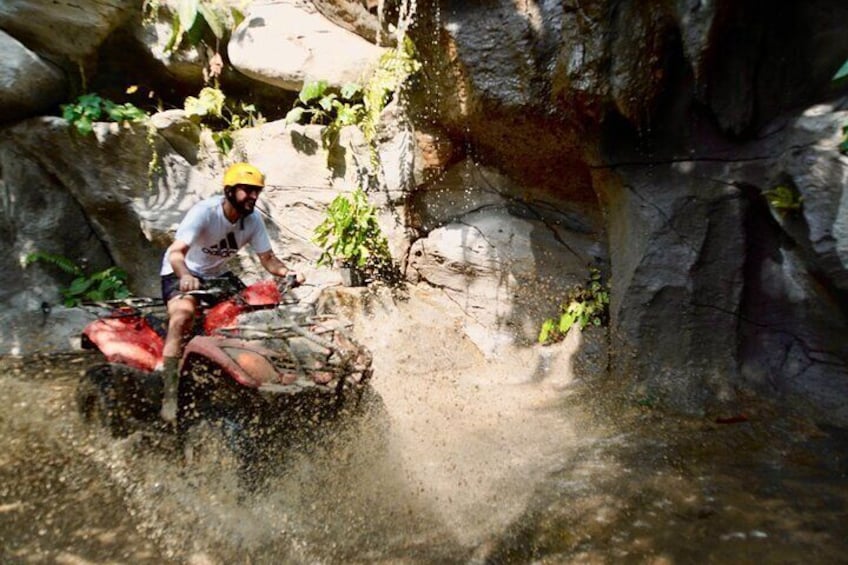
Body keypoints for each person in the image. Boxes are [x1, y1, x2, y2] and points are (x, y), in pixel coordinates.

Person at [158, 162, 303, 423]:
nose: (253, 196)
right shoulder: (205, 212)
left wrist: (288, 273)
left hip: (217, 276)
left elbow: (268, 259)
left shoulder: (253, 220)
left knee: (257, 312)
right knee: (182, 316)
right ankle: (170, 395)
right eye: (247, 190)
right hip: (181, 272)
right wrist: (186, 277)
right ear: (229, 191)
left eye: (256, 191)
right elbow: (176, 253)